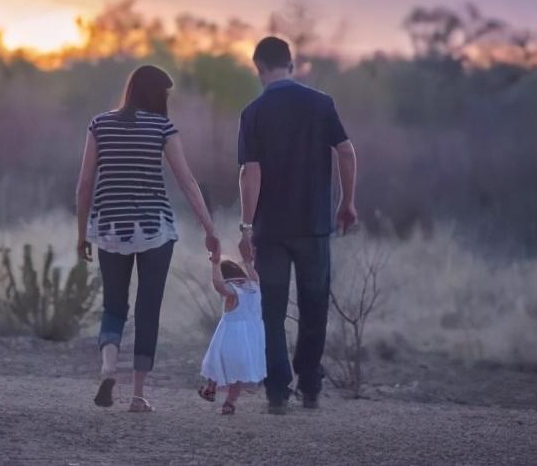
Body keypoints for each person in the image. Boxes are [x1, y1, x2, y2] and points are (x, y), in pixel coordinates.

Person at [75, 65, 221, 413]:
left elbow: (84, 184)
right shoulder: (162, 128)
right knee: (148, 308)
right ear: (156, 94)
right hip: (154, 228)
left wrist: (82, 233)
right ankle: (138, 395)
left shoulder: (100, 125)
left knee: (113, 304)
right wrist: (210, 228)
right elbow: (187, 182)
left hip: (109, 227)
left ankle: (109, 368)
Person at [237, 37, 358, 414]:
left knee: (271, 310)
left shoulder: (253, 112)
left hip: (270, 229)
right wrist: (346, 202)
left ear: (259, 67)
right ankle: (309, 385)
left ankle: (277, 391)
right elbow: (346, 150)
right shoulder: (320, 104)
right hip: (314, 224)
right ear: (290, 64)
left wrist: (245, 226)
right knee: (314, 305)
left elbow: (250, 172)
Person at [198, 258, 266, 415]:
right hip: (251, 338)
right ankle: (230, 402)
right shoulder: (255, 284)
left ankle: (210, 389)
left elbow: (218, 285)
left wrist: (215, 264)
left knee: (217, 361)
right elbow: (253, 273)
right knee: (239, 373)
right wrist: (248, 262)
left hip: (230, 335)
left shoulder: (232, 290)